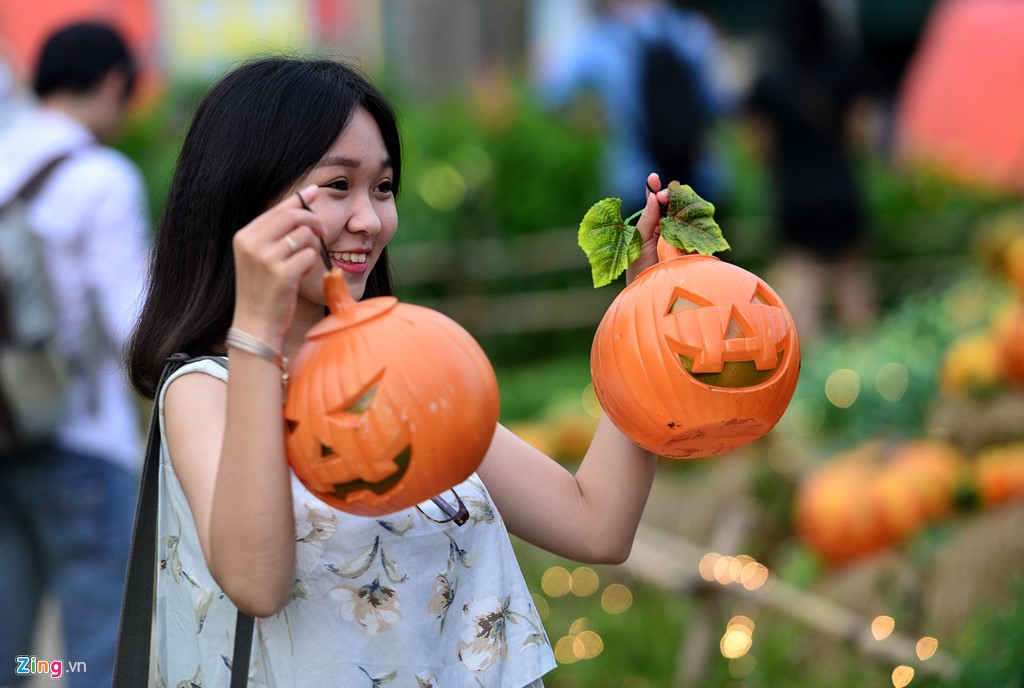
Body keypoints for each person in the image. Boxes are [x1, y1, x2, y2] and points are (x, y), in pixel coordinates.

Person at [124, 55, 667, 687]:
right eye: (337, 186)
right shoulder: (205, 388)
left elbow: (595, 522)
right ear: (246, 199)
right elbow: (255, 582)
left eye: (382, 188)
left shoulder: (407, 371)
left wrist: (646, 313)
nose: (370, 219)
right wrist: (255, 337)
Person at [0, 21, 150, 688]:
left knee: (13, 655)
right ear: (115, 82)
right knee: (99, 654)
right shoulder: (100, 176)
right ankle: (67, 674)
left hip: (5, 440)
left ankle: (41, 673)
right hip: (82, 445)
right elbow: (133, 326)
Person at [744, 0, 877, 341]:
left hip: (796, 192)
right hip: (840, 188)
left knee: (801, 285)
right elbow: (862, 134)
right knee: (851, 279)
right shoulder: (845, 66)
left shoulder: (769, 78)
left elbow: (759, 146)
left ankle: (807, 373)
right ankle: (869, 372)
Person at [533, 0, 733, 213]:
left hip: (638, 187)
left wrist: (587, 120)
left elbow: (548, 90)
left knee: (644, 245)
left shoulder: (600, 41)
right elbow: (721, 104)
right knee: (701, 245)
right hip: (700, 181)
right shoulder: (692, 31)